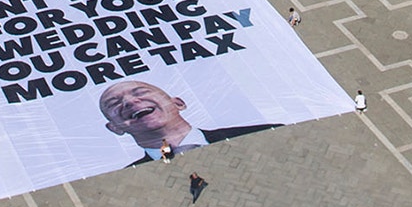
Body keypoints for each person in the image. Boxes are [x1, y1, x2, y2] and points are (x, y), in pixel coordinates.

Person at [98, 80, 280, 165]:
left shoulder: (269, 132)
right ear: (114, 128)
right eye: (114, 104)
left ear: (178, 103)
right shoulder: (132, 174)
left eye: (140, 93)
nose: (130, 102)